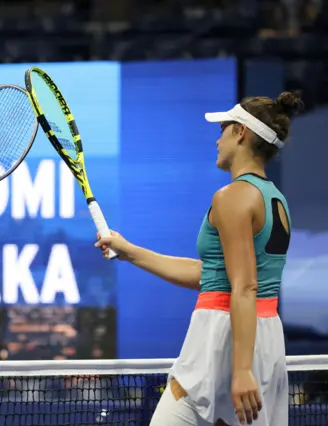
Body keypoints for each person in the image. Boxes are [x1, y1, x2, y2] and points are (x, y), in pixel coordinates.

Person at [95, 91, 303, 426]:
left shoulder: (232, 196)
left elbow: (245, 287)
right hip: (262, 337)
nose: (217, 139)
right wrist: (130, 251)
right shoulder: (274, 199)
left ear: (241, 133)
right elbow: (213, 275)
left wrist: (240, 370)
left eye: (223, 128)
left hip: (226, 336)